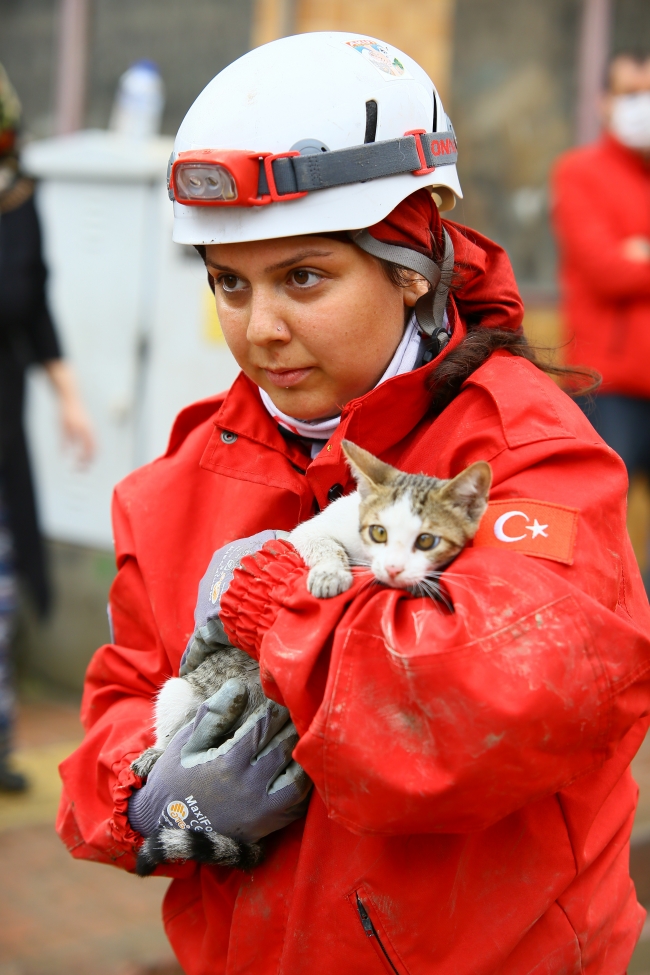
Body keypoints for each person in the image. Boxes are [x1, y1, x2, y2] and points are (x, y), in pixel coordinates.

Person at [57, 33, 650, 974]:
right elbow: (115, 708)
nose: (260, 328)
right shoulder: (186, 475)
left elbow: (483, 706)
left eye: (304, 277)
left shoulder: (529, 458)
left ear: (411, 267)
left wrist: (270, 601)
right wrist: (151, 797)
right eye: (230, 282)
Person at [0, 63, 94, 790]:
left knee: (1, 592)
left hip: (5, 431)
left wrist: (69, 397)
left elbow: (37, 304)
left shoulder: (20, 201)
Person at [552, 53, 650, 485]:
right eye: (632, 94)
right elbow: (605, 271)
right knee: (603, 511)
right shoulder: (579, 172)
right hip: (606, 385)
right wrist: (622, 259)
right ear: (604, 101)